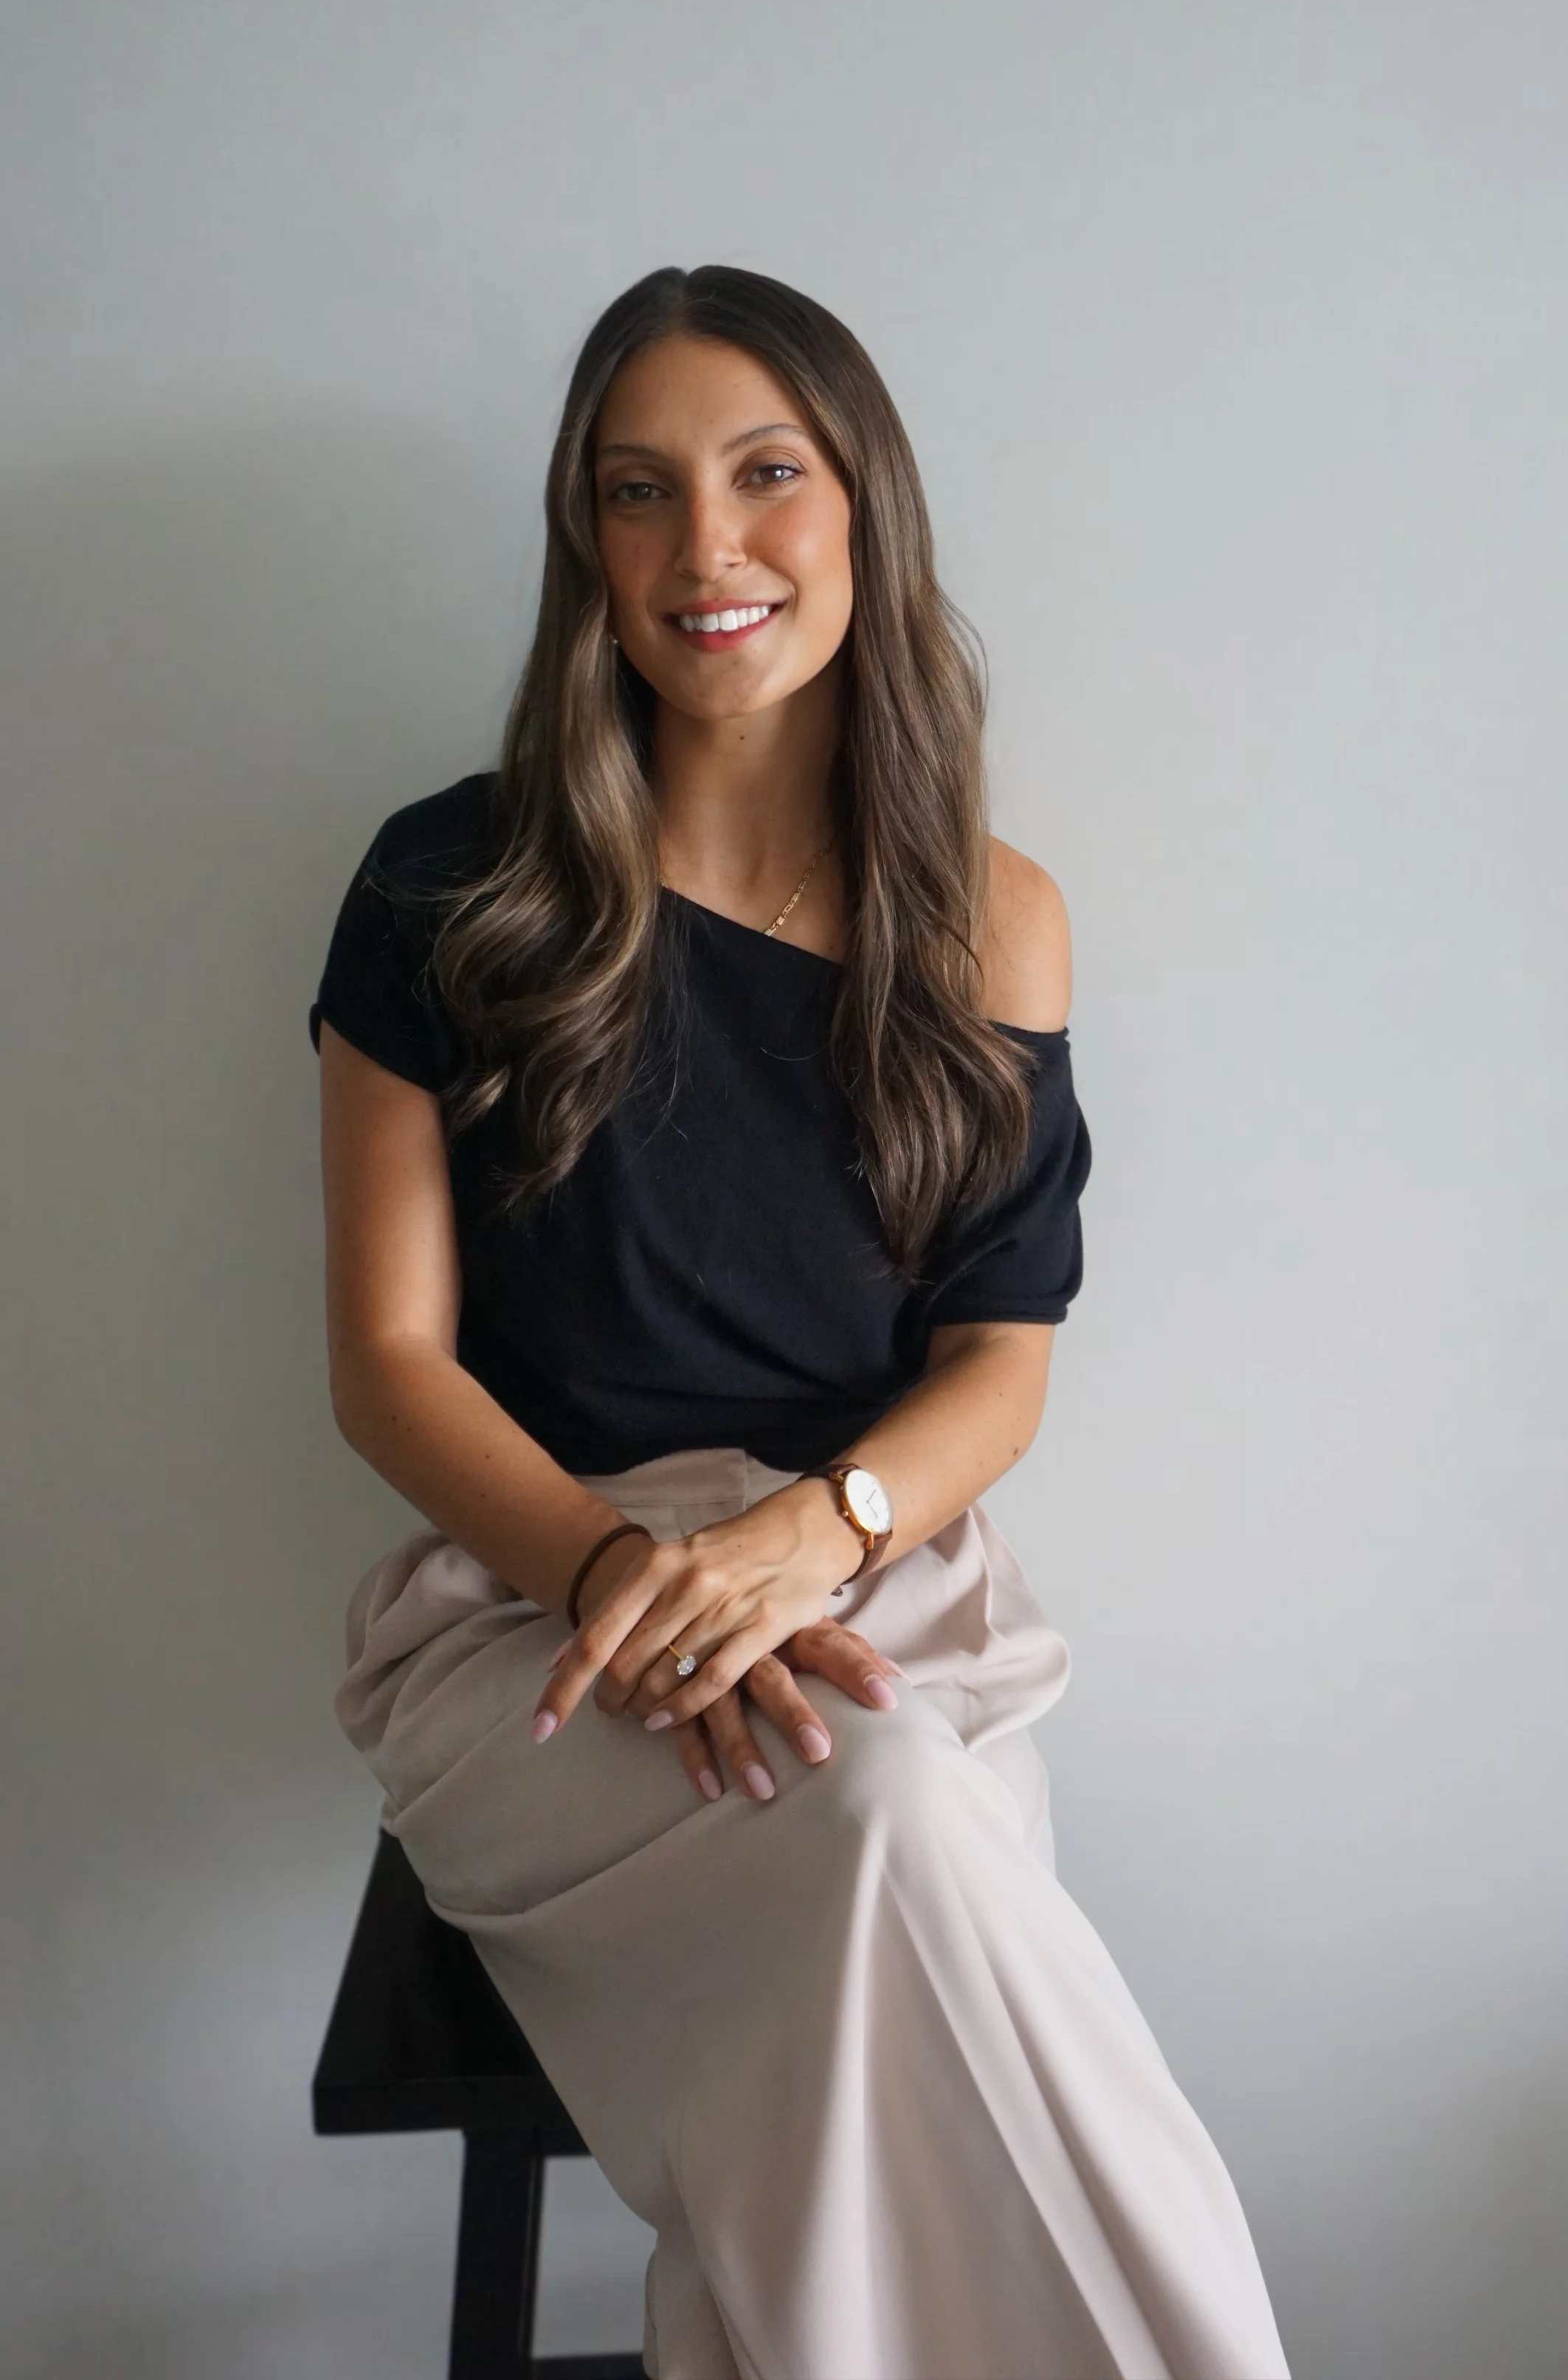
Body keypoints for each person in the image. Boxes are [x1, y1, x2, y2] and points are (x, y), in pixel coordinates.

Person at [311, 263, 1291, 2380]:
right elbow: (386, 1364)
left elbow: (996, 1358)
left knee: (886, 1804)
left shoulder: (988, 917)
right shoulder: (443, 889)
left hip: (878, 1594)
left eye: (766, 475)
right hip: (536, 1630)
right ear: (585, 541)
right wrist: (627, 1571)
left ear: (864, 507)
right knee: (878, 1817)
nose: (706, 549)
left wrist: (801, 1541)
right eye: (637, 491)